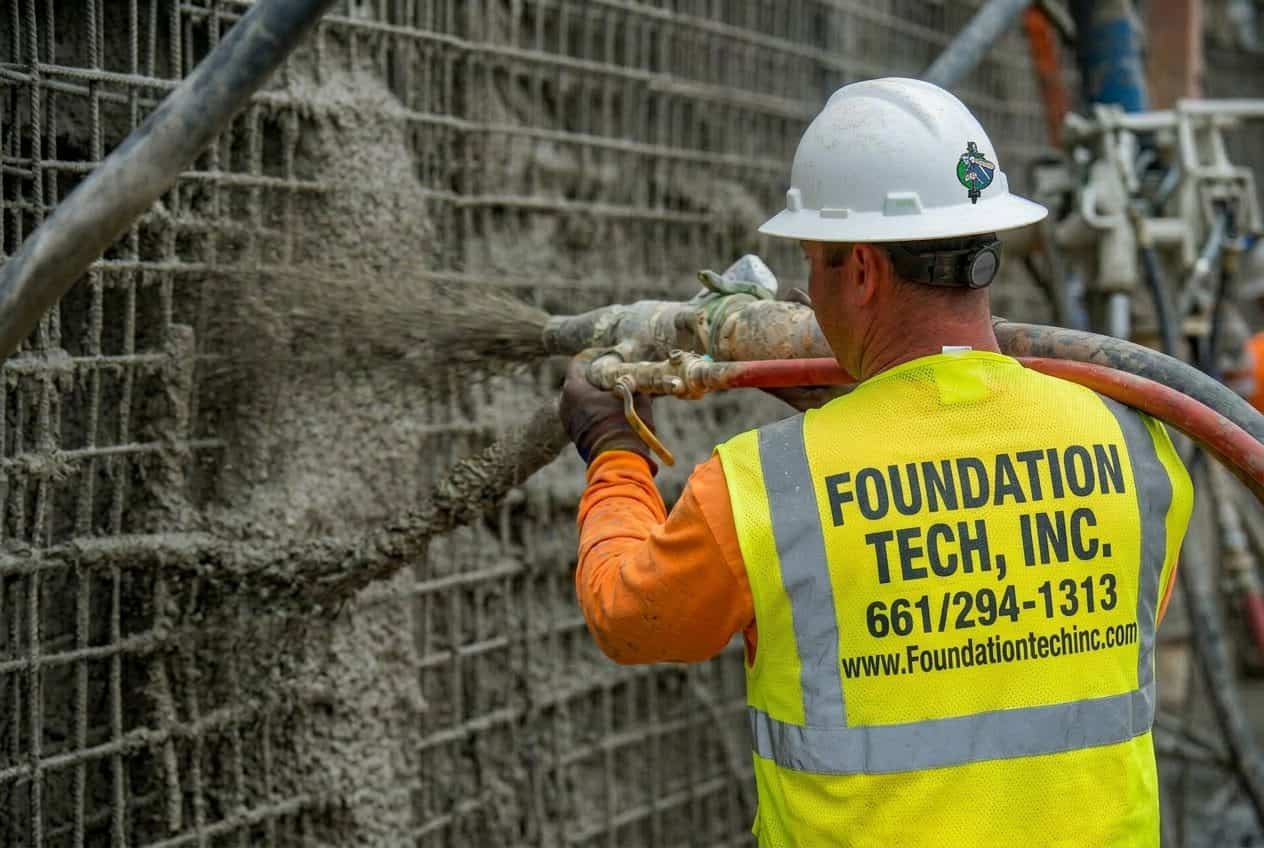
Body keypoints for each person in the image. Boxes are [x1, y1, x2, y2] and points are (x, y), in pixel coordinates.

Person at [559, 78, 1193, 847]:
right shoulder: (1136, 448)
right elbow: (1085, 624)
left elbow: (632, 620)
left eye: (814, 264)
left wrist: (614, 451)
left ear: (860, 270)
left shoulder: (769, 485)